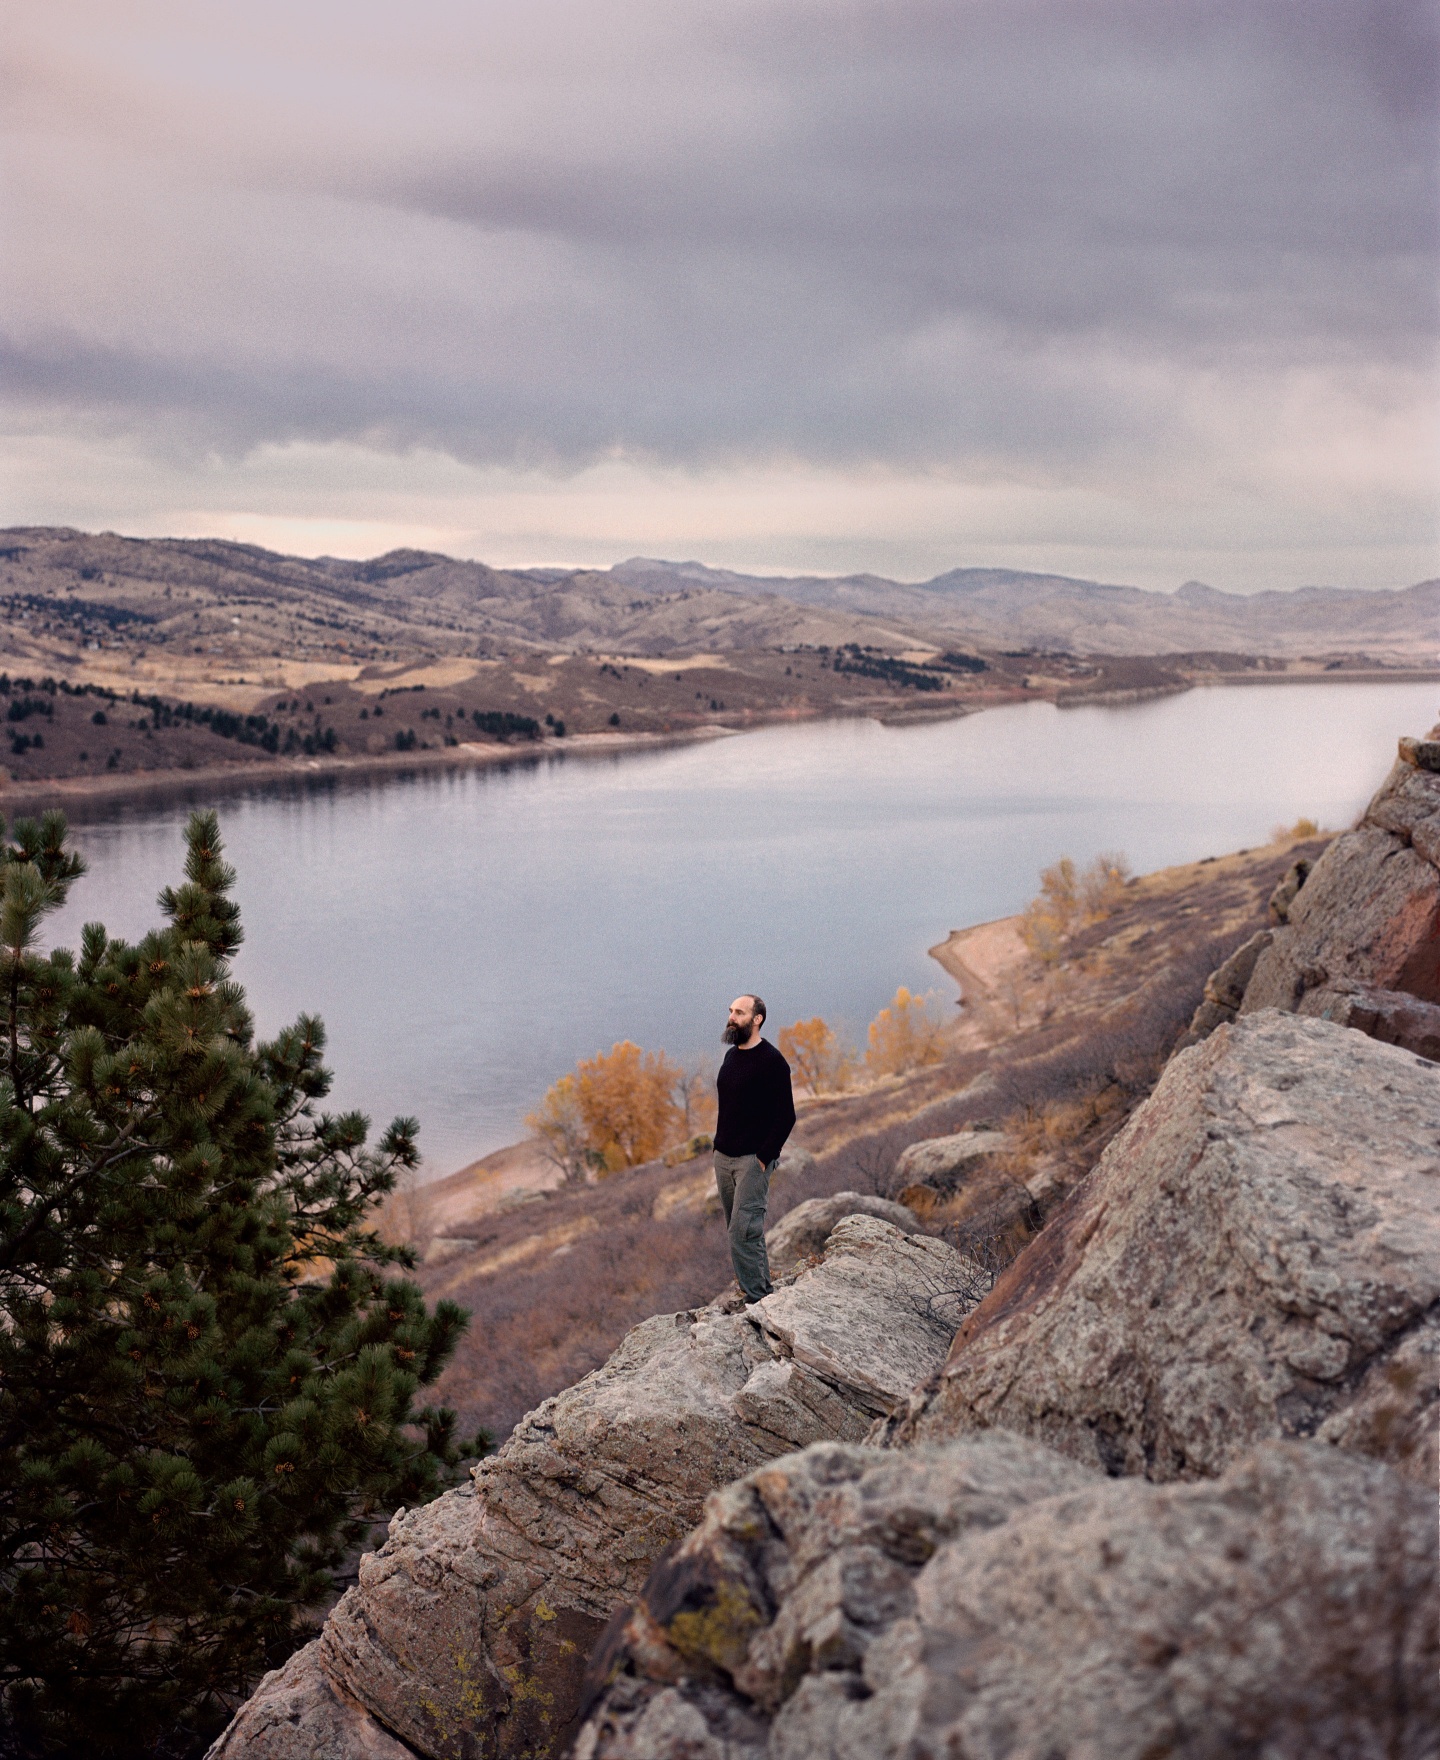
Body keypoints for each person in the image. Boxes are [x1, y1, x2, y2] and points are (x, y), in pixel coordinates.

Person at [713, 992, 795, 1303]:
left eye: (739, 1013)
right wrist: (717, 1149)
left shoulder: (772, 1062)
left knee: (742, 1232)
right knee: (740, 1230)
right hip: (723, 1159)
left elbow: (786, 1115)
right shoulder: (731, 1056)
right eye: (731, 1011)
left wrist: (764, 1157)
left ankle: (759, 1299)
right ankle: (759, 1289)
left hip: (751, 1161)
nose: (731, 1017)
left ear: (756, 1019)